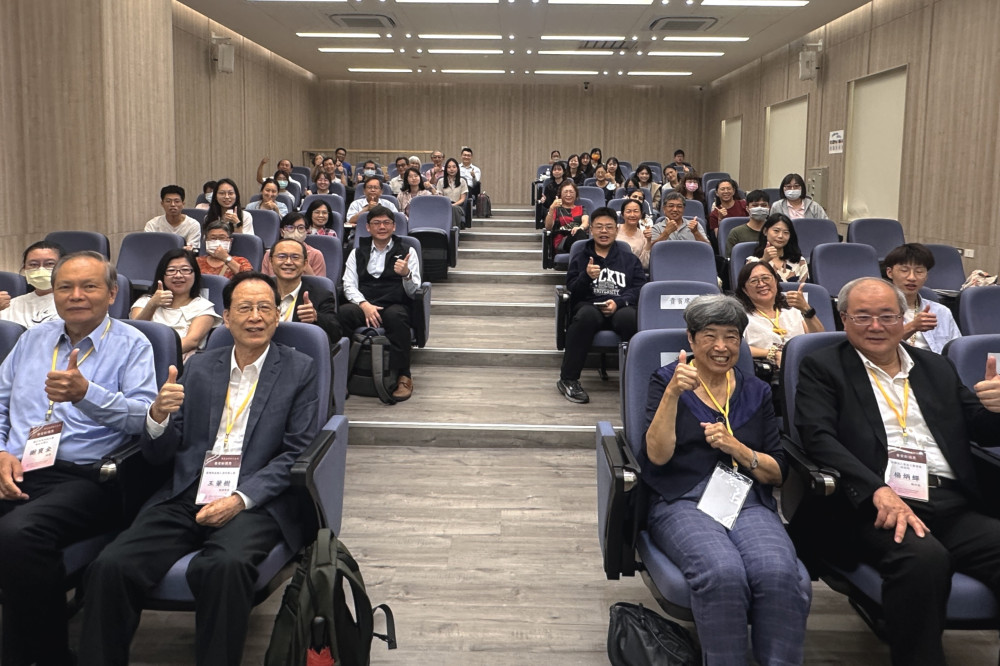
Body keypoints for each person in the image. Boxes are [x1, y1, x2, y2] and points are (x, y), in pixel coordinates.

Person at [78, 271, 320, 666]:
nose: (255, 317)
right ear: (227, 317)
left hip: (254, 497)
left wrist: (240, 499)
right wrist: (157, 418)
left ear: (278, 316)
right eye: (245, 308)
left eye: (265, 308)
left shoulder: (300, 368)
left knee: (224, 567)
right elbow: (163, 451)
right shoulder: (201, 367)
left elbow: (296, 452)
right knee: (111, 565)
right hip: (188, 488)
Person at [795, 277, 1000, 666]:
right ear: (843, 319)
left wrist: (996, 408)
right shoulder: (823, 367)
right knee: (924, 559)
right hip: (875, 503)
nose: (876, 326)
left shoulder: (936, 367)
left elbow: (980, 428)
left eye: (887, 316)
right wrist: (876, 489)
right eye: (863, 316)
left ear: (902, 318)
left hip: (950, 500)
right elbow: (818, 438)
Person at [0, 251, 157, 666]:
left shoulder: (132, 344)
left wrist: (87, 395)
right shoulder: (31, 340)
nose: (76, 296)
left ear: (112, 293)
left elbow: (146, 419)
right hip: (18, 468)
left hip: (89, 477)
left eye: (89, 286)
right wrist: (1, 452)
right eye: (65, 287)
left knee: (18, 534)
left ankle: (49, 656)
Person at [642, 294, 810, 664]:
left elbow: (777, 472)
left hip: (746, 499)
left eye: (731, 337)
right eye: (710, 336)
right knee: (722, 572)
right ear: (691, 339)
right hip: (681, 499)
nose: (721, 347)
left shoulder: (756, 390)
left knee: (778, 572)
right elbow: (657, 456)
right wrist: (672, 395)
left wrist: (739, 449)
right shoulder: (667, 380)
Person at [557, 207, 644, 404]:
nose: (604, 231)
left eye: (609, 227)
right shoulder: (581, 257)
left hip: (620, 306)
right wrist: (586, 276)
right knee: (585, 317)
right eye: (599, 227)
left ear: (616, 230)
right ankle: (568, 379)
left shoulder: (629, 259)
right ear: (591, 230)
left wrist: (618, 302)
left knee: (630, 318)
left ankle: (635, 378)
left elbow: (639, 288)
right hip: (589, 306)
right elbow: (573, 291)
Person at [338, 206, 421, 402]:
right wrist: (364, 304)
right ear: (368, 227)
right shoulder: (356, 252)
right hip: (365, 303)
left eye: (386, 223)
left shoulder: (407, 251)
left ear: (394, 226)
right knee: (343, 314)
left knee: (397, 317)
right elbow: (349, 284)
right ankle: (340, 375)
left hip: (394, 303)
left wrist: (406, 275)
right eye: (376, 223)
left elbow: (414, 290)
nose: (381, 227)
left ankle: (403, 375)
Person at [130, 249, 220, 360]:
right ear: (162, 275)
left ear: (195, 274)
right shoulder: (145, 302)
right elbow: (135, 332)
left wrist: (157, 356)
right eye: (171, 270)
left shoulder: (204, 308)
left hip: (178, 363)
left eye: (185, 270)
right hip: (140, 359)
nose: (178, 275)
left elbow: (192, 341)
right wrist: (152, 304)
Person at [735, 261, 823, 368]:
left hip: (803, 367)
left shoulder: (793, 310)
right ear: (745, 290)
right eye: (754, 281)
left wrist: (806, 309)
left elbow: (819, 341)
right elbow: (734, 346)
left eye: (766, 278)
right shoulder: (741, 317)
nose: (761, 284)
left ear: (776, 281)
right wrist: (772, 353)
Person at [884, 243, 961, 354]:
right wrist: (912, 326)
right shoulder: (878, 311)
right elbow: (878, 347)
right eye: (904, 270)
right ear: (890, 273)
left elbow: (956, 351)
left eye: (919, 272)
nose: (912, 277)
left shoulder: (941, 312)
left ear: (926, 276)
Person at [268, 239, 342, 343]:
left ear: (305, 263)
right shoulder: (259, 291)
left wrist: (316, 317)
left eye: (295, 257)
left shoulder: (320, 295)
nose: (288, 262)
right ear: (271, 261)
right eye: (281, 256)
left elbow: (336, 333)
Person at [0, 241, 65, 329]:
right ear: (24, 268)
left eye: (49, 264)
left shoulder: (73, 301)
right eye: (33, 264)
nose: (41, 269)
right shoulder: (11, 305)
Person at [747, 213, 809, 282]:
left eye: (786, 232)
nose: (780, 236)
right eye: (776, 231)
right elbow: (749, 284)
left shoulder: (800, 261)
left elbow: (805, 287)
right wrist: (764, 260)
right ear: (765, 231)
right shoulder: (752, 261)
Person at [261, 213, 326, 278]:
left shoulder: (316, 255)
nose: (295, 231)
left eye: (301, 228)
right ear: (282, 232)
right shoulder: (270, 254)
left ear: (306, 231)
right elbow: (263, 281)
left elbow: (320, 283)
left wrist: (305, 266)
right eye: (290, 227)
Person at [144, 185, 201, 250]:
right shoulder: (152, 224)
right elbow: (149, 248)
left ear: (183, 204)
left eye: (177, 201)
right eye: (168, 201)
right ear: (162, 204)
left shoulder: (193, 225)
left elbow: (191, 249)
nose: (172, 205)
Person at [544, 180, 590, 255]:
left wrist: (580, 227)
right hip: (561, 242)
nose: (568, 195)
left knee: (580, 233)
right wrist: (552, 208)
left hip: (578, 236)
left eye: (571, 192)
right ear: (560, 194)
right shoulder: (555, 209)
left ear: (576, 194)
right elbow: (548, 227)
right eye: (565, 192)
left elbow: (586, 222)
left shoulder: (581, 208)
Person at [725, 189, 771, 257]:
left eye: (764, 205)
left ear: (769, 208)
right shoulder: (736, 233)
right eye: (755, 205)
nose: (760, 208)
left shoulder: (775, 231)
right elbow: (730, 259)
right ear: (747, 209)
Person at [616, 198, 652, 270]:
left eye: (636, 211)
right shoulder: (614, 229)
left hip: (633, 271)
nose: (632, 215)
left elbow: (644, 265)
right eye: (628, 211)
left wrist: (648, 241)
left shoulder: (644, 235)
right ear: (622, 215)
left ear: (641, 215)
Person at [536, 160, 568, 228]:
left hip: (565, 209)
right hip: (551, 210)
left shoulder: (568, 185)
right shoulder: (549, 186)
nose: (557, 171)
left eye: (559, 169)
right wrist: (543, 200)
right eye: (554, 169)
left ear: (564, 171)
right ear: (552, 172)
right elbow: (547, 205)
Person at [438, 157, 468, 227]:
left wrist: (453, 205)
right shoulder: (441, 181)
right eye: (449, 167)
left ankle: (453, 230)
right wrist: (447, 205)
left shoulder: (462, 181)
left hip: (458, 206)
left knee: (453, 209)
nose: (451, 169)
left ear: (457, 168)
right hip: (444, 205)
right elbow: (440, 197)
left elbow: (462, 199)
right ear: (446, 169)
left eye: (454, 167)